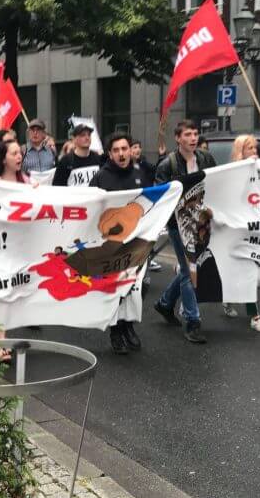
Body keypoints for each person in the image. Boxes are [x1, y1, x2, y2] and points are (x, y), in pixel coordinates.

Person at [153, 120, 216, 344]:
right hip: (177, 225)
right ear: (178, 138)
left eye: (195, 133)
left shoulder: (205, 159)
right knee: (191, 270)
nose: (193, 137)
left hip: (200, 223)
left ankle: (165, 303)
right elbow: (160, 197)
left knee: (190, 269)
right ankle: (193, 321)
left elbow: (216, 182)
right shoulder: (166, 165)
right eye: (188, 134)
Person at [89, 132, 150, 353]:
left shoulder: (140, 172)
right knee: (116, 288)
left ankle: (128, 326)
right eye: (116, 150)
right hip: (113, 244)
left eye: (125, 148)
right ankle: (116, 330)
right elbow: (90, 208)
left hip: (138, 241)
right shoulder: (101, 178)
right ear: (110, 154)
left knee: (136, 287)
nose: (122, 153)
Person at [222, 135, 260, 332]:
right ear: (240, 151)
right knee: (248, 270)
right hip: (238, 229)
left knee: (245, 269)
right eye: (249, 148)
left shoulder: (258, 169)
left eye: (255, 147)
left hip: (255, 226)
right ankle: (254, 316)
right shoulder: (233, 172)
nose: (254, 151)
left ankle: (228, 298)